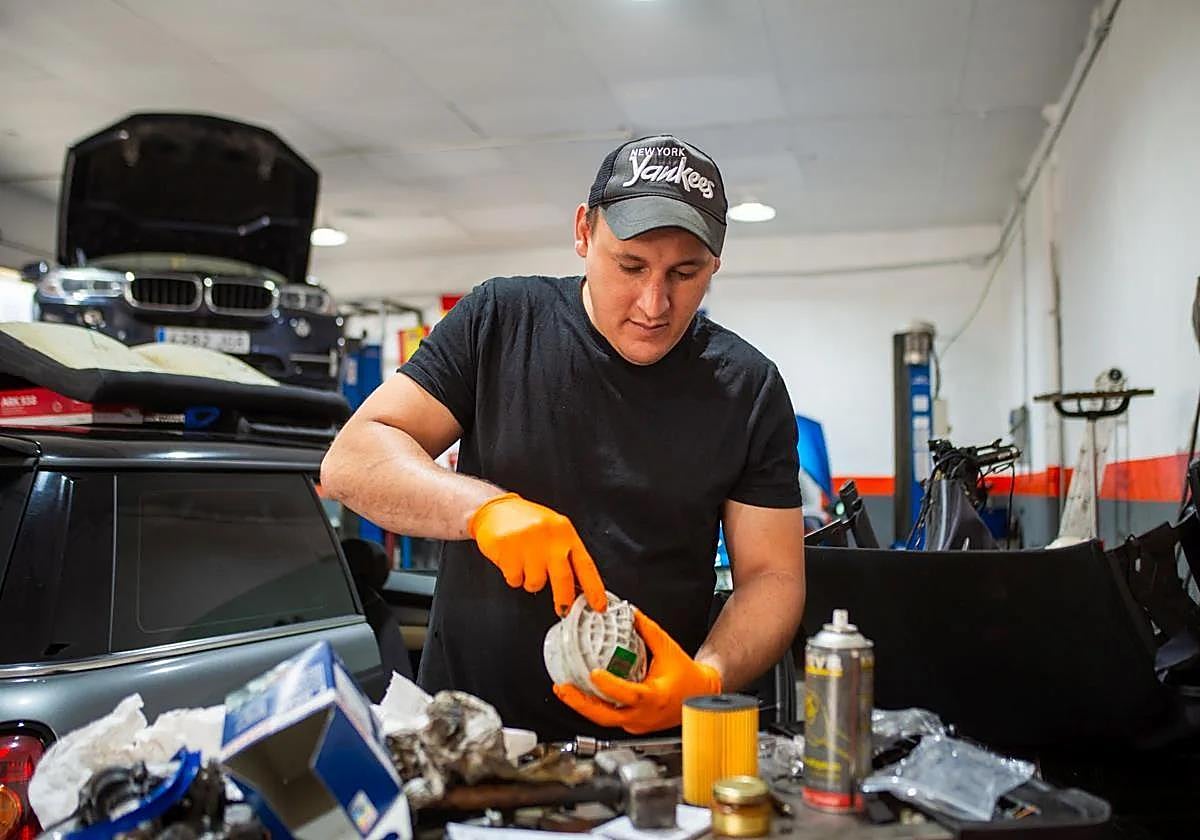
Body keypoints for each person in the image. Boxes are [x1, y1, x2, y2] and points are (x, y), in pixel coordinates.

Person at [321, 134, 807, 740]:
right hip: (470, 737)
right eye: (630, 266)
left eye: (685, 273)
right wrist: (483, 510)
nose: (654, 303)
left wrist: (706, 678)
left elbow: (773, 576)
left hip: (649, 748)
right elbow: (353, 458)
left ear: (716, 262)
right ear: (583, 232)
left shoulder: (747, 387)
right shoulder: (499, 320)